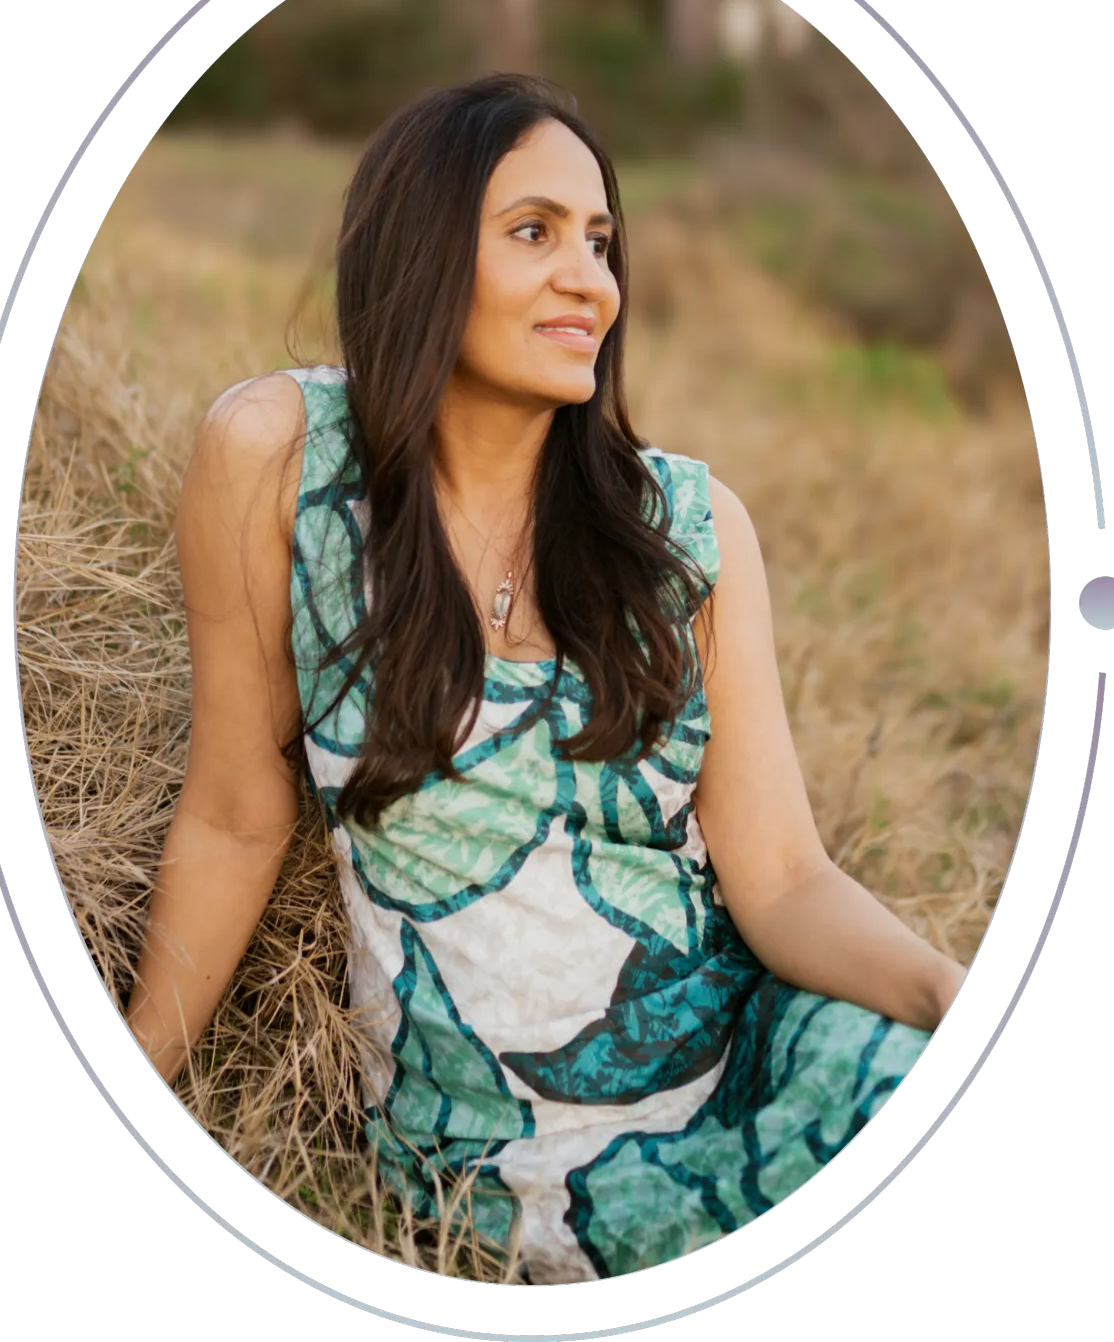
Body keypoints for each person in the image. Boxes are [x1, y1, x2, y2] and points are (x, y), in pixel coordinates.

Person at [124, 73, 967, 1284]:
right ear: (422, 251)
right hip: (506, 1154)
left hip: (752, 1045)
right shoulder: (279, 462)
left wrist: (943, 991)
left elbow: (783, 878)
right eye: (535, 232)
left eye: (601, 241)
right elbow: (233, 814)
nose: (591, 281)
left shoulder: (688, 527)